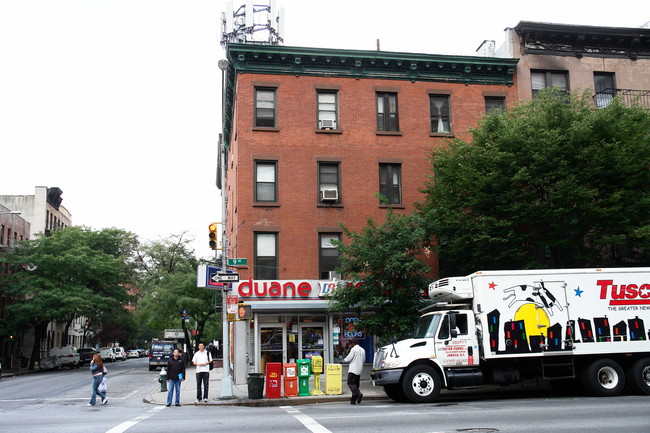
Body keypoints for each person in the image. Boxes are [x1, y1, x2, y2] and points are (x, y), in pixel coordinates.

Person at [343, 339, 366, 405]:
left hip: (353, 369)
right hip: (359, 369)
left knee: (350, 383)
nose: (350, 345)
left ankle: (358, 394)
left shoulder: (354, 349)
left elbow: (349, 358)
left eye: (351, 343)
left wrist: (344, 360)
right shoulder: (362, 350)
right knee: (356, 385)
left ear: (353, 343)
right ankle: (353, 400)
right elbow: (364, 359)